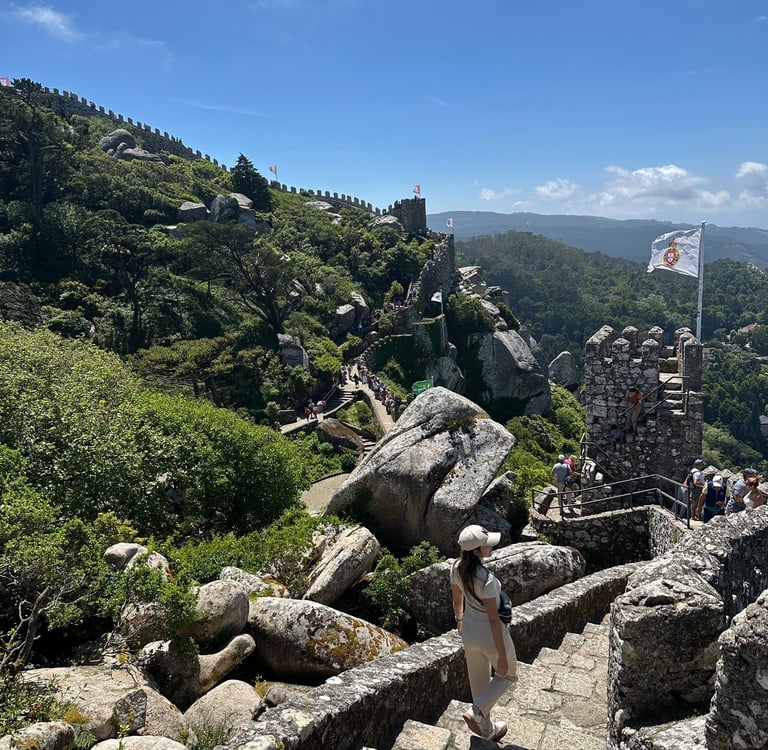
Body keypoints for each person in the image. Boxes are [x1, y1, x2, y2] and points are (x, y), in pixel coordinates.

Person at [450, 525, 517, 743]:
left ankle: (487, 730)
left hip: (469, 628)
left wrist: (460, 620)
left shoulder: (456, 567)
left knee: (479, 682)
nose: (490, 547)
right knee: (506, 675)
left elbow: (456, 599)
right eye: (486, 545)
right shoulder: (486, 579)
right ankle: (476, 711)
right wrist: (502, 655)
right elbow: (493, 619)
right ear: (477, 551)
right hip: (488, 631)